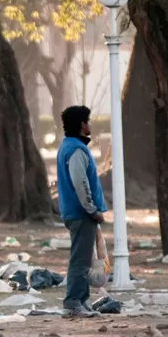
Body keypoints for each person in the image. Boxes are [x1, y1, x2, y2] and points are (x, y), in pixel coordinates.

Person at [56, 105, 107, 317]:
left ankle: (82, 300)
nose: (90, 125)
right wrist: (92, 209)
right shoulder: (76, 149)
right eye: (88, 121)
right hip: (80, 213)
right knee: (80, 260)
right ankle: (73, 302)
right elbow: (80, 182)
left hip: (75, 212)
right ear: (81, 125)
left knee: (84, 259)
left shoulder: (68, 146)